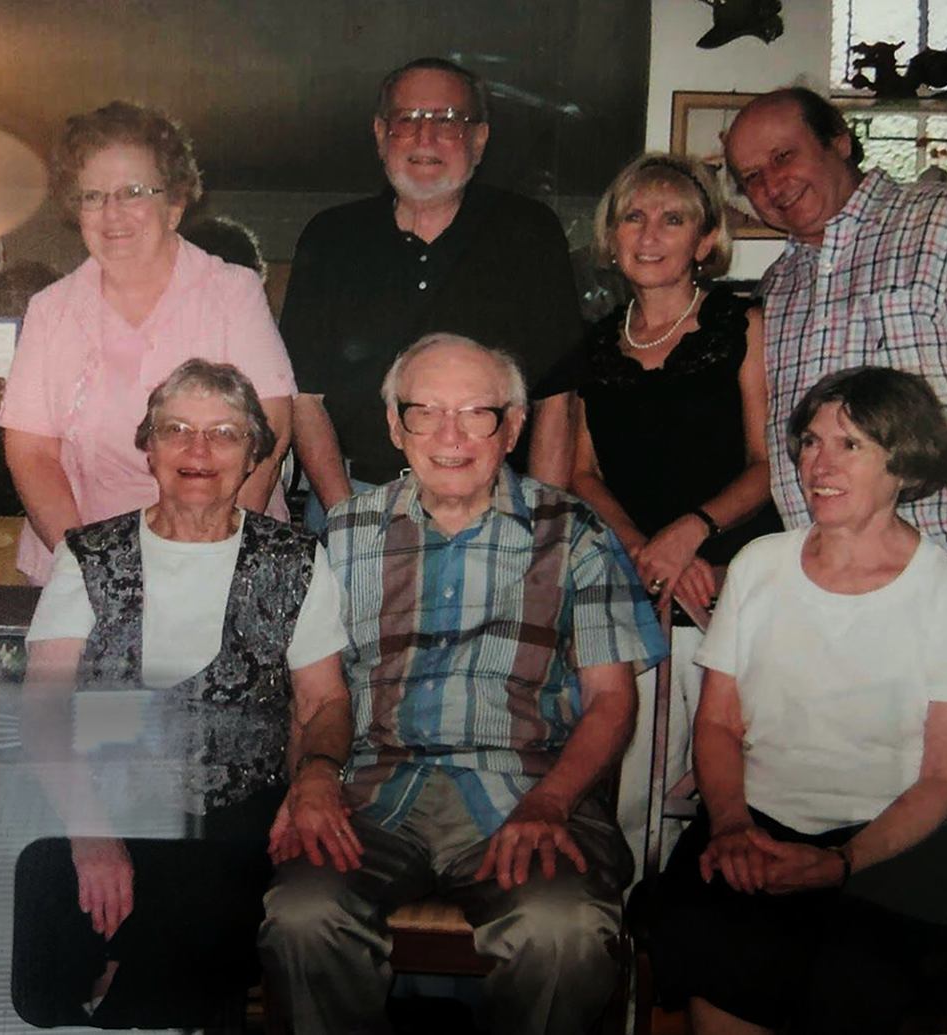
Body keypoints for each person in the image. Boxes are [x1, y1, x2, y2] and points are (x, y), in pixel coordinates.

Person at [260, 334, 665, 1035]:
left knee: (562, 930)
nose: (450, 436)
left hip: (527, 788)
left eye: (477, 412)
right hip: (373, 789)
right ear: (394, 426)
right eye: (424, 412)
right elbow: (319, 694)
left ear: (512, 426)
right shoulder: (345, 533)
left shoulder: (575, 534)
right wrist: (311, 777)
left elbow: (611, 700)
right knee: (299, 914)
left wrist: (553, 800)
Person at [11, 360, 352, 1028]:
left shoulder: (295, 559)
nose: (199, 452)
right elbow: (43, 709)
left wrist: (316, 775)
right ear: (150, 447)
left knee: (201, 899)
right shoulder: (89, 555)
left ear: (256, 452)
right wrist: (90, 835)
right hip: (96, 796)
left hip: (233, 806)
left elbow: (324, 702)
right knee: (47, 898)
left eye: (224, 433)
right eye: (177, 431)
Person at [649, 366, 947, 1034]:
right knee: (711, 933)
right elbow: (719, 723)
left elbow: (945, 777)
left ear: (902, 460)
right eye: (810, 442)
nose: (818, 464)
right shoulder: (761, 564)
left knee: (856, 970)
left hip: (893, 845)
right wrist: (732, 824)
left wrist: (841, 862)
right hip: (756, 821)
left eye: (849, 445)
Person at [571, 153, 783, 875]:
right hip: (643, 586)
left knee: (733, 784)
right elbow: (580, 473)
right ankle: (634, 955)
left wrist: (690, 533)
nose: (651, 232)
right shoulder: (594, 346)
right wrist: (647, 550)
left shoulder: (743, 322)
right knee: (634, 796)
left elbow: (766, 463)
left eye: (673, 217)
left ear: (704, 239)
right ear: (612, 236)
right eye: (634, 216)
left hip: (731, 578)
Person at [0, 100, 295, 586]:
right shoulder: (51, 310)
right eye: (92, 196)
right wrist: (93, 568)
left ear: (175, 205)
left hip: (222, 564)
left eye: (132, 192)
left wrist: (209, 560)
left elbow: (270, 430)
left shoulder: (232, 292)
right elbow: (31, 453)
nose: (111, 213)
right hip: (84, 565)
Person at [283, 57, 584, 531]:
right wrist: (347, 519)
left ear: (479, 139)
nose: (426, 138)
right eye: (408, 120)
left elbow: (557, 399)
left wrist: (542, 528)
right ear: (382, 135)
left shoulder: (529, 231)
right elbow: (305, 399)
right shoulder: (330, 237)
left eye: (447, 120)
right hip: (356, 497)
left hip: (496, 505)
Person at [722, 87, 947, 551]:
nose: (772, 185)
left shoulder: (943, 220)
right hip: (822, 579)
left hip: (945, 565)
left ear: (839, 141)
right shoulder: (776, 288)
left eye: (783, 156)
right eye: (752, 176)